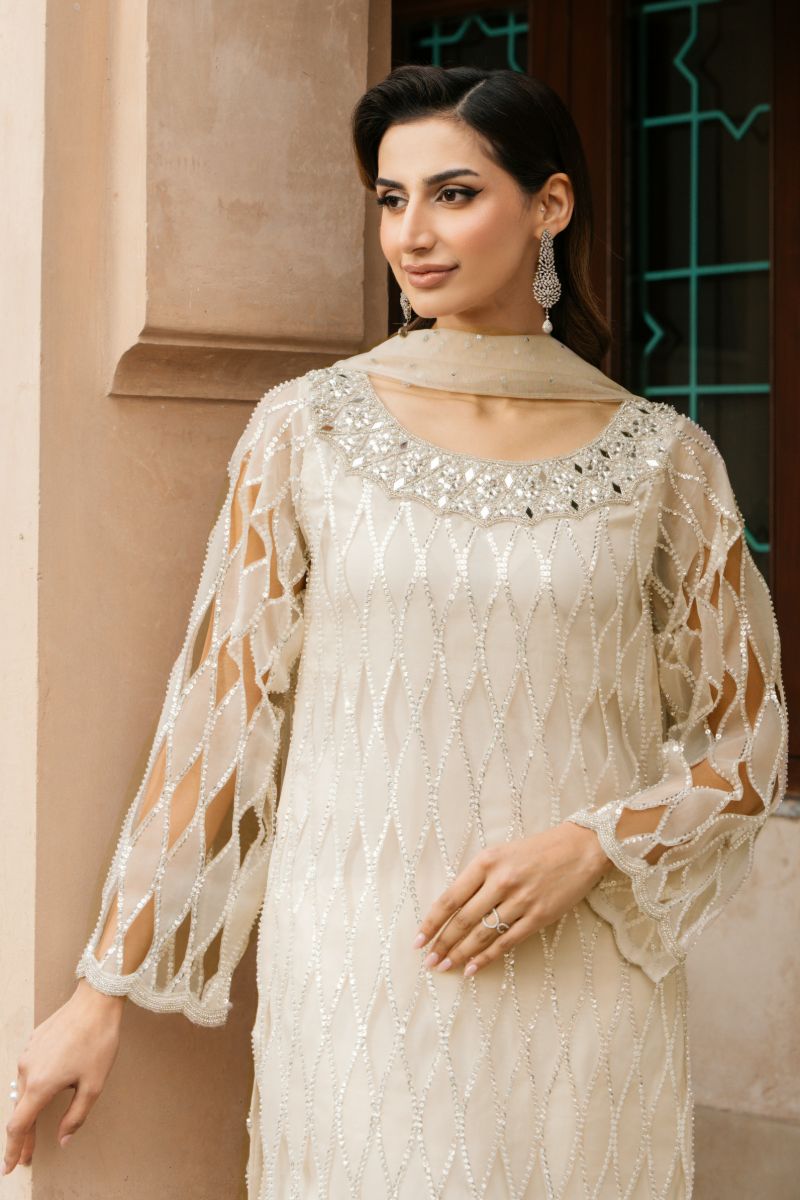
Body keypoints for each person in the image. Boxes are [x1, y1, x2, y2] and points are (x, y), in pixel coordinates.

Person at [3, 64, 787, 1199]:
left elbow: (746, 746)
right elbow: (223, 720)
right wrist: (100, 993)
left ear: (550, 205)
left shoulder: (665, 460)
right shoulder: (307, 430)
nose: (411, 234)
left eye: (452, 194)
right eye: (389, 199)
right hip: (357, 973)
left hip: (582, 983)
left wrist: (593, 846)